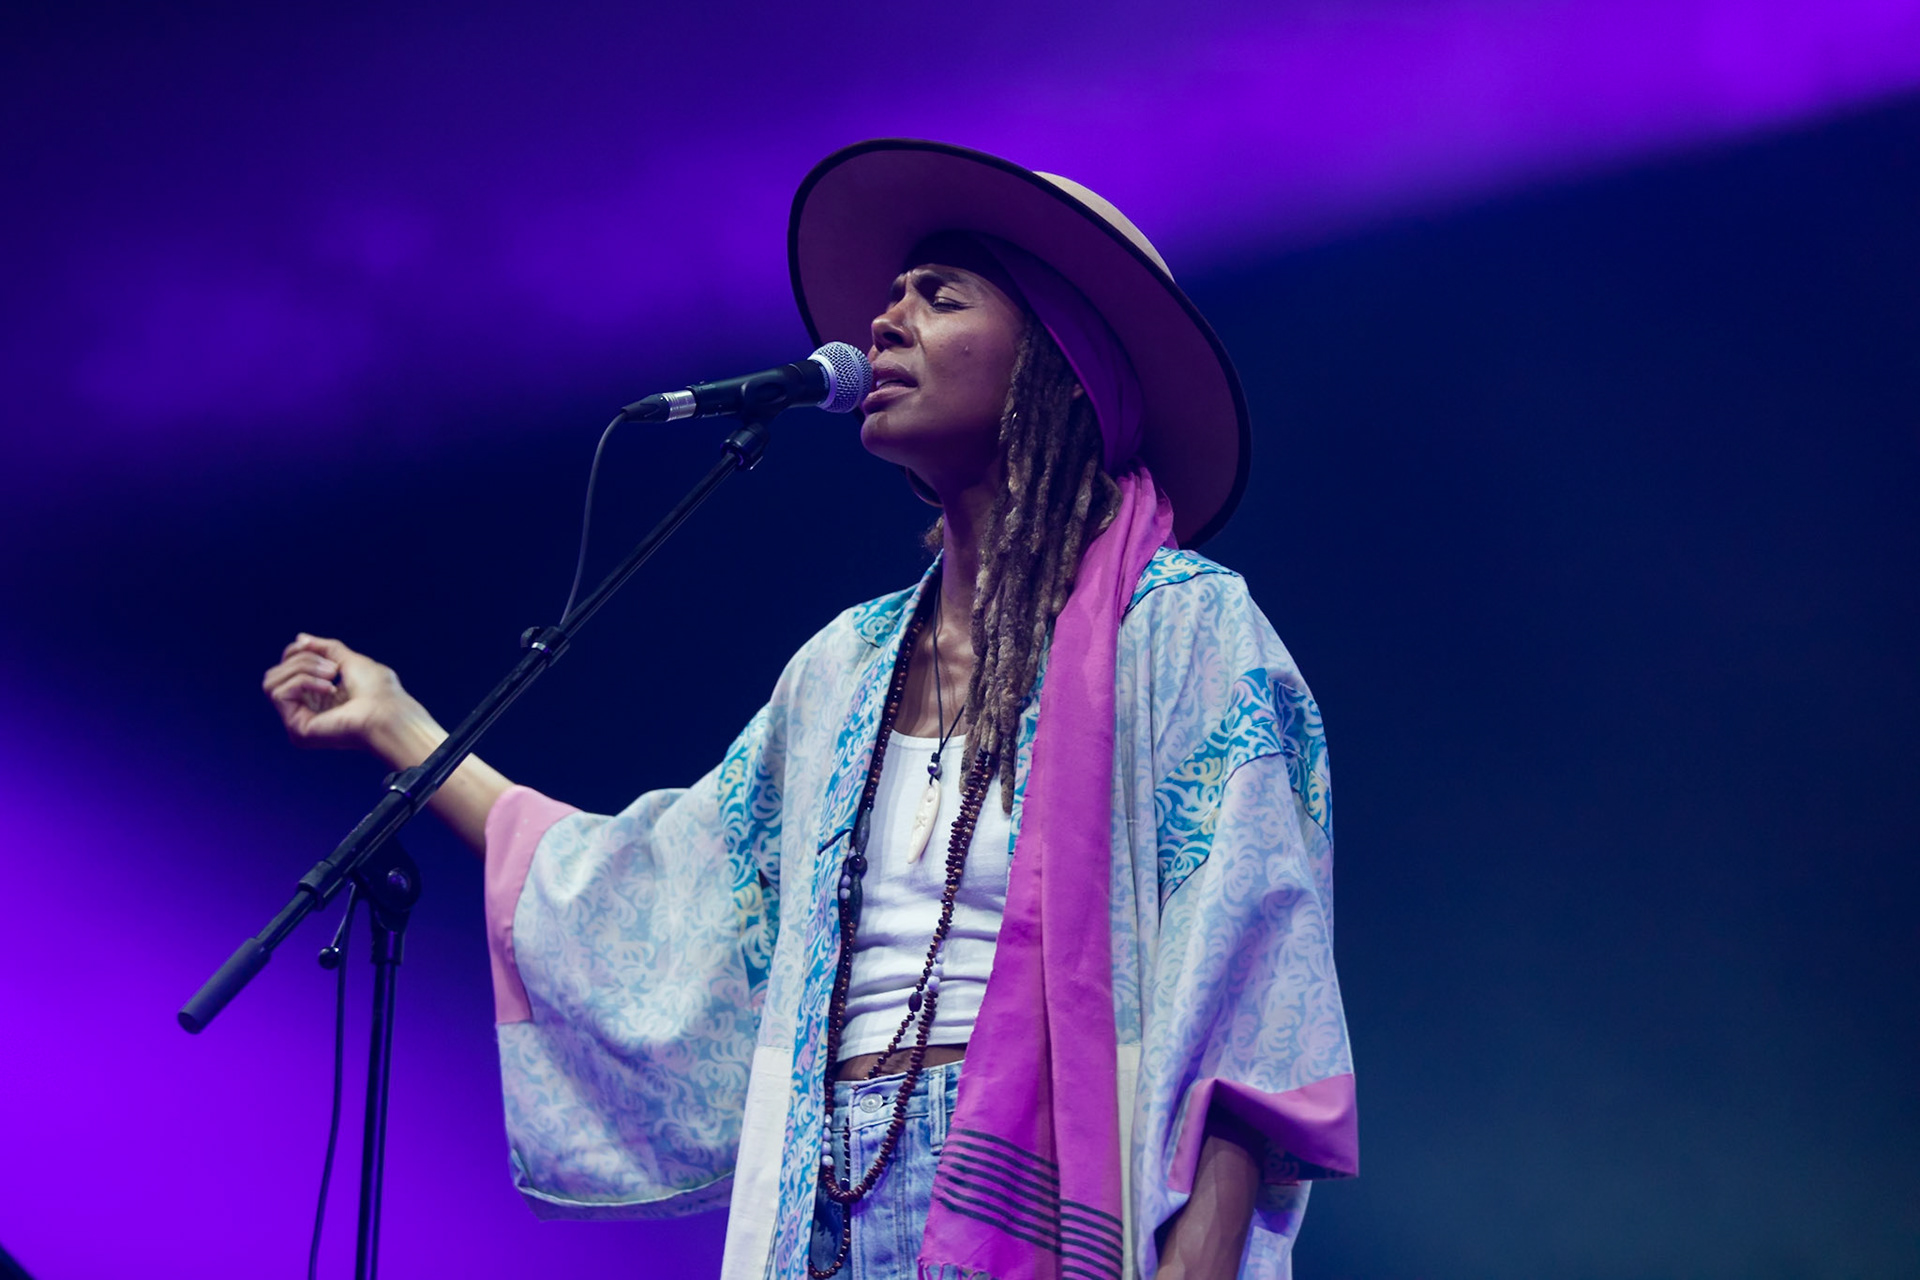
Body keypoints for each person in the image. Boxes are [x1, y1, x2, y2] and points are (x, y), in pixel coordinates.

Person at [262, 140, 1356, 1280]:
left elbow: (1252, 977)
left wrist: (1201, 1260)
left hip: (1062, 1193)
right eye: (887, 300)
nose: (883, 324)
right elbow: (642, 887)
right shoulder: (844, 667)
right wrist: (405, 727)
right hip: (834, 1190)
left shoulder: (1176, 628)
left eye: (939, 296)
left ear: (1060, 357)